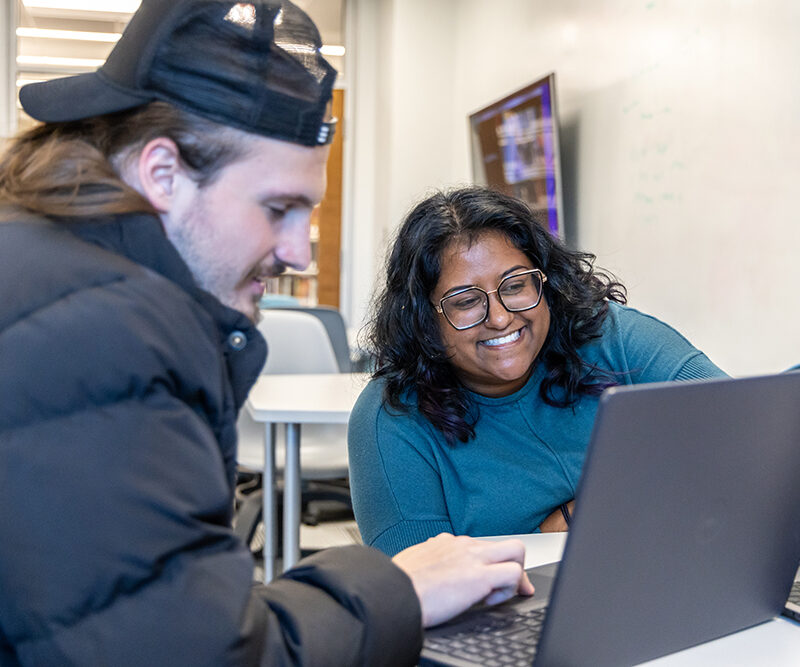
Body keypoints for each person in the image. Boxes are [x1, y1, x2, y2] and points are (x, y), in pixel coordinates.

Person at [0, 3, 534, 665]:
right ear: (162, 173)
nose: (298, 253)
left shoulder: (39, 266)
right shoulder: (108, 333)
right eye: (278, 208)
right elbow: (197, 653)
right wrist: (396, 589)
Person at [348, 186, 728, 556]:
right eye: (465, 302)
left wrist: (569, 519)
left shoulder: (610, 336)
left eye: (515, 286)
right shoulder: (392, 418)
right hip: (502, 612)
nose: (499, 318)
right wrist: (589, 513)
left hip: (665, 571)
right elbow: (420, 590)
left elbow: (740, 429)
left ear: (545, 281)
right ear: (423, 318)